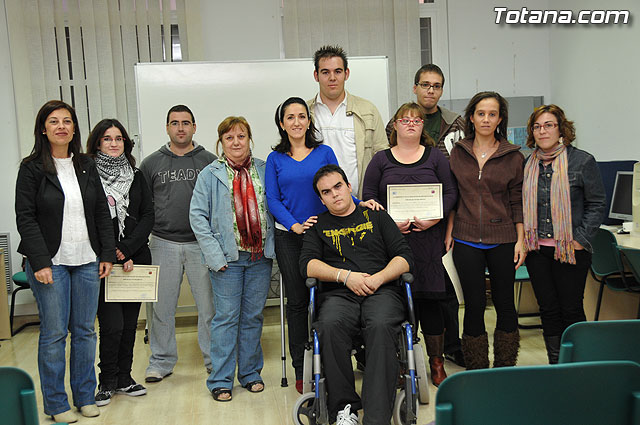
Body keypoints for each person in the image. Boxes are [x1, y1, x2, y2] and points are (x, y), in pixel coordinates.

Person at [266, 97, 380, 393]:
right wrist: (295, 225)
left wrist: (360, 203)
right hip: (290, 237)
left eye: (301, 116)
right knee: (298, 302)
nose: (296, 122)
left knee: (331, 298)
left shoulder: (324, 152)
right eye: (290, 117)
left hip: (327, 233)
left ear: (309, 121)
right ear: (282, 124)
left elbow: (337, 186)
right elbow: (273, 200)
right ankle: (301, 368)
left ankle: (334, 360)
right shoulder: (275, 159)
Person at [15, 100, 115, 423]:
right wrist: (40, 261)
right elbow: (25, 217)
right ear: (43, 129)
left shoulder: (86, 165)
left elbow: (101, 212)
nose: (61, 126)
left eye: (67, 121)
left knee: (85, 331)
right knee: (55, 333)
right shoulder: (31, 168)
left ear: (74, 129)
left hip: (87, 259)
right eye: (54, 121)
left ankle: (85, 397)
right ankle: (56, 404)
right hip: (51, 262)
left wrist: (107, 254)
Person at [299, 164, 413, 425]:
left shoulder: (377, 217)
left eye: (338, 186)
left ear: (349, 187)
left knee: (381, 326)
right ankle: (345, 408)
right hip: (339, 295)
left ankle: (376, 418)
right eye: (326, 192)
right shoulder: (317, 226)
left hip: (381, 291)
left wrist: (378, 278)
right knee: (329, 325)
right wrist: (345, 276)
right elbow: (307, 265)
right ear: (321, 199)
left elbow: (405, 257)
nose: (334, 194)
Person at [363, 102, 457, 386]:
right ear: (395, 125)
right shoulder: (380, 159)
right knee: (398, 303)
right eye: (405, 120)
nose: (411, 124)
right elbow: (368, 196)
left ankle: (436, 362)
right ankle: (403, 363)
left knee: (431, 301)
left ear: (422, 126)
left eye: (416, 120)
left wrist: (435, 217)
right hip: (392, 242)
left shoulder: (435, 157)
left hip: (428, 239)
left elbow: (451, 192)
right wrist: (389, 223)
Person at [385, 64, 466, 366]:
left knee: (444, 291)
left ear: (441, 90)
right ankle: (409, 354)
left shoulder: (455, 124)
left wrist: (448, 222)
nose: (430, 90)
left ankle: (449, 348)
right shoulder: (397, 121)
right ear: (415, 87)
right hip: (403, 226)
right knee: (411, 290)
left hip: (442, 221)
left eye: (436, 85)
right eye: (425, 84)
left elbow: (454, 182)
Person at [190, 116, 275, 402]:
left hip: (260, 257)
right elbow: (197, 217)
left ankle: (250, 373)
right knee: (226, 319)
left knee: (252, 317)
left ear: (249, 139)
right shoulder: (210, 174)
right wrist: (215, 256)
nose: (236, 142)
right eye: (229, 138)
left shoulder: (265, 169)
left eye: (241, 136)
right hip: (227, 259)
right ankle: (220, 380)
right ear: (221, 142)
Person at [445, 91, 525, 370]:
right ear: (471, 117)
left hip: (504, 239)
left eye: (493, 114)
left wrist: (521, 240)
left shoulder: (513, 156)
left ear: (500, 119)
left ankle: (505, 367)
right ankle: (476, 368)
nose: (486, 119)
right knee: (474, 304)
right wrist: (450, 229)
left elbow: (517, 201)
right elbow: (454, 196)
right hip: (466, 239)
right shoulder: (458, 153)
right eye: (481, 114)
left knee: (505, 303)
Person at [522, 105, 606, 364]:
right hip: (537, 251)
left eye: (549, 125)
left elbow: (597, 204)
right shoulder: (528, 164)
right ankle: (556, 365)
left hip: (570, 250)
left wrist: (580, 239)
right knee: (548, 310)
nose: (542, 131)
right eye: (537, 126)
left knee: (571, 309)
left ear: (561, 129)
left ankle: (577, 365)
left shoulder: (582, 161)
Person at [140, 104, 216, 382]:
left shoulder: (209, 161)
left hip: (201, 243)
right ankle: (161, 361)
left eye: (185, 123)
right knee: (162, 309)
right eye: (175, 123)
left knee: (209, 309)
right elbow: (143, 206)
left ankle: (214, 360)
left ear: (194, 127)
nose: (180, 128)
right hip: (163, 243)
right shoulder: (151, 163)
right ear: (167, 128)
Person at [86, 119, 154, 406]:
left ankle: (124, 378)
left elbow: (148, 215)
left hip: (135, 257)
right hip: (104, 261)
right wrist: (111, 252)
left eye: (118, 138)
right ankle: (107, 381)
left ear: (125, 142)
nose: (113, 143)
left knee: (128, 325)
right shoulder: (88, 177)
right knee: (111, 325)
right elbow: (90, 220)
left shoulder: (136, 176)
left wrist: (126, 250)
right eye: (107, 139)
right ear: (97, 144)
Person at [307, 45, 388, 197]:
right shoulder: (303, 114)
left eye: (338, 71)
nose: (332, 78)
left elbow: (382, 157)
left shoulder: (368, 110)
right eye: (325, 72)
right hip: (316, 202)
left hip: (360, 201)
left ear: (346, 73)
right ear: (316, 75)